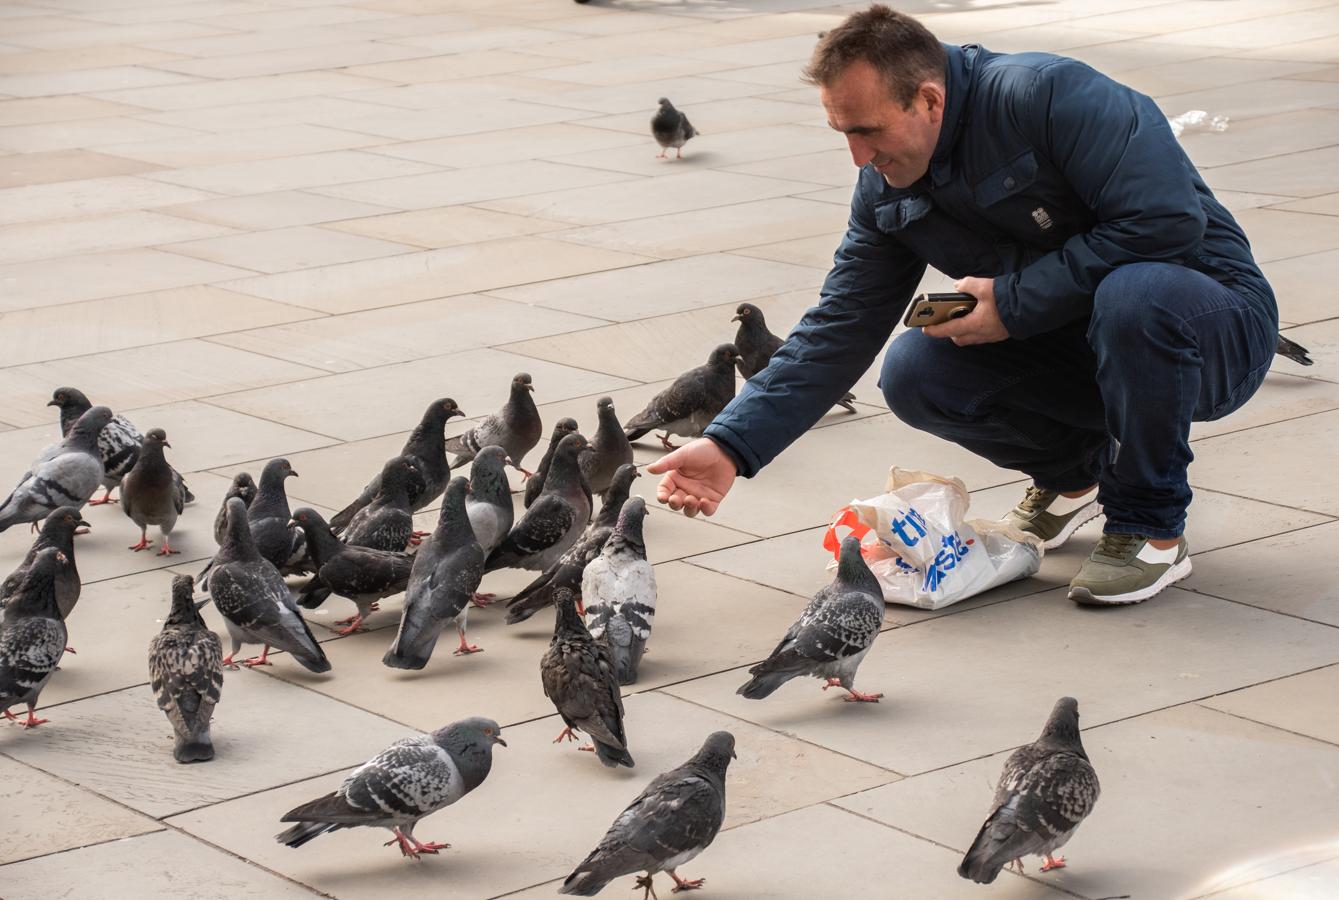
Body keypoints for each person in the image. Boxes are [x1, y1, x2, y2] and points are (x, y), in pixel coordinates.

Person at [648, 6, 1278, 607]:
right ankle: (1073, 474)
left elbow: (1166, 223)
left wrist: (1013, 301)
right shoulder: (884, 188)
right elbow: (837, 328)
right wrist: (731, 445)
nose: (858, 157)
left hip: (1208, 330)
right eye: (843, 133)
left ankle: (1151, 526)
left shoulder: (1051, 96)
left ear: (928, 99)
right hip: (1085, 341)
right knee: (916, 368)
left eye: (867, 131)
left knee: (1133, 294)